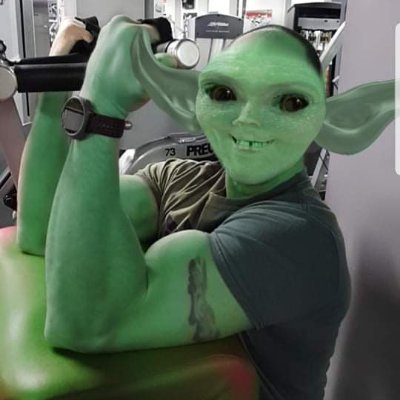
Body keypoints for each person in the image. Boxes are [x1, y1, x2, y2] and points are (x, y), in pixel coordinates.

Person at [14, 15, 394, 400]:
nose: (248, 120)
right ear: (192, 102)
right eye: (225, 94)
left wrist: (101, 109)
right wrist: (58, 81)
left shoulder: (301, 239)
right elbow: (42, 227)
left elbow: (88, 323)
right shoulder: (177, 179)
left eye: (291, 102)